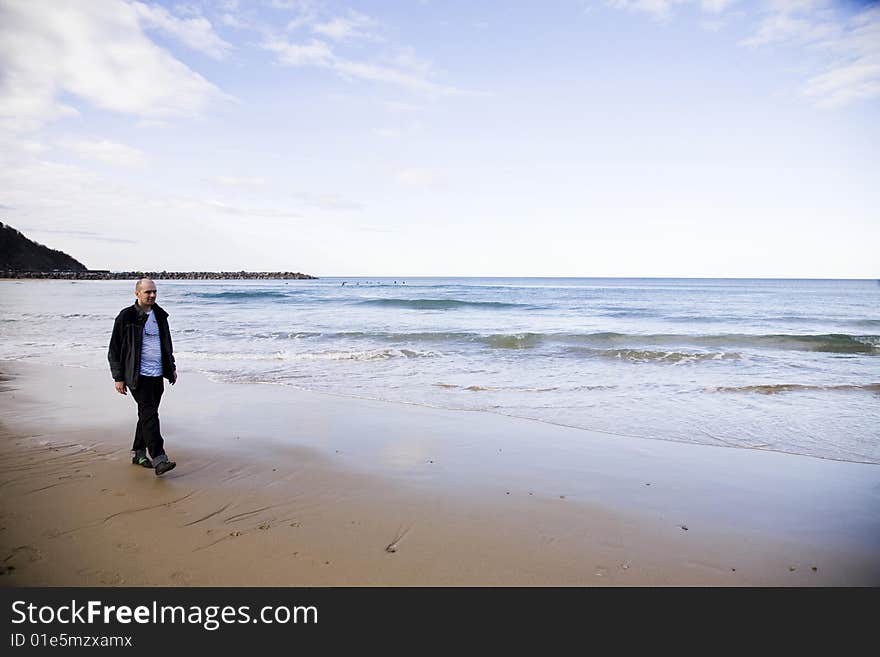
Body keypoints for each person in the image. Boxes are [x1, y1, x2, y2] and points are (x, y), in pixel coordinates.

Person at [108, 278, 178, 476]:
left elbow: (167, 344)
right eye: (148, 292)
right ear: (137, 293)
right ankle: (159, 459)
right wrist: (118, 377)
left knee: (146, 414)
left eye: (154, 292)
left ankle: (138, 453)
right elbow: (114, 350)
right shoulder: (126, 317)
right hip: (137, 375)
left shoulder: (160, 315)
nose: (152, 295)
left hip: (157, 374)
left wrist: (171, 367)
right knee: (150, 415)